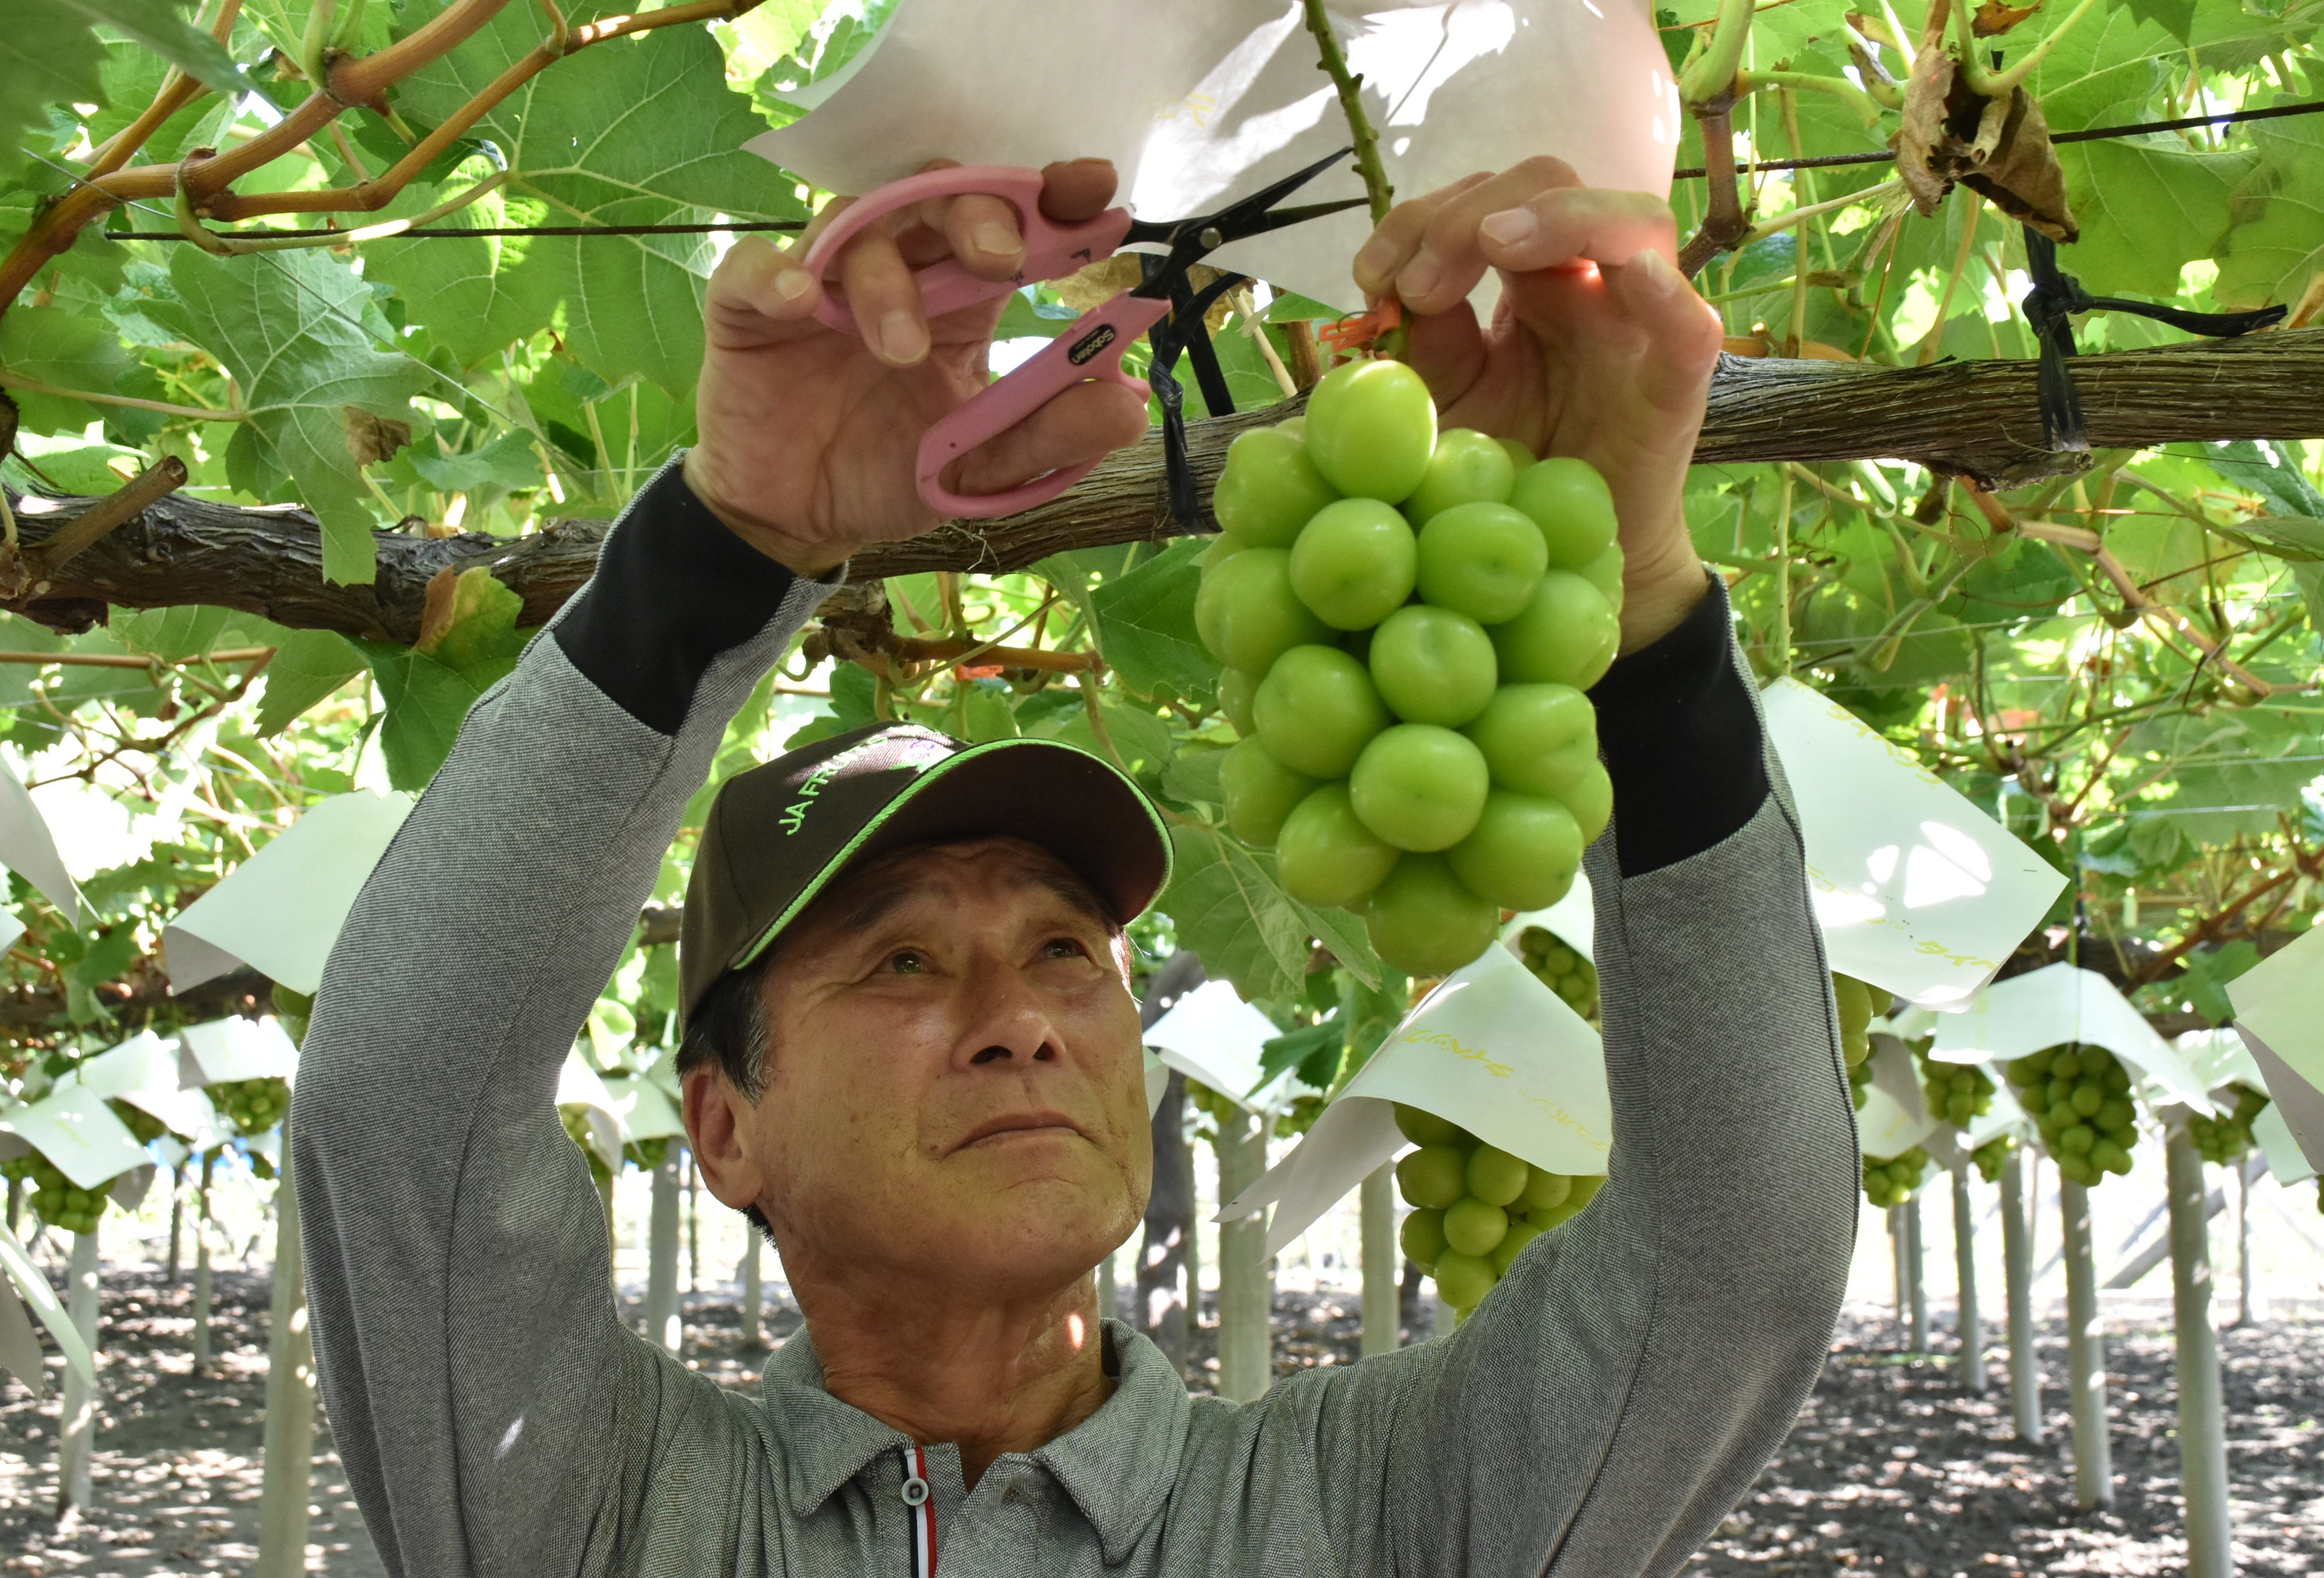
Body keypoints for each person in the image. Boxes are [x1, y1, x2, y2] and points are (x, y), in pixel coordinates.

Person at [296, 154, 1858, 1578]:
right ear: (724, 1125)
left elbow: (1741, 1256)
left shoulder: (1378, 1509)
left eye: (1067, 952)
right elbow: (399, 1107)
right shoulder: (609, 1510)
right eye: (904, 960)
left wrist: (1638, 610)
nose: (1023, 1017)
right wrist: (734, 538)